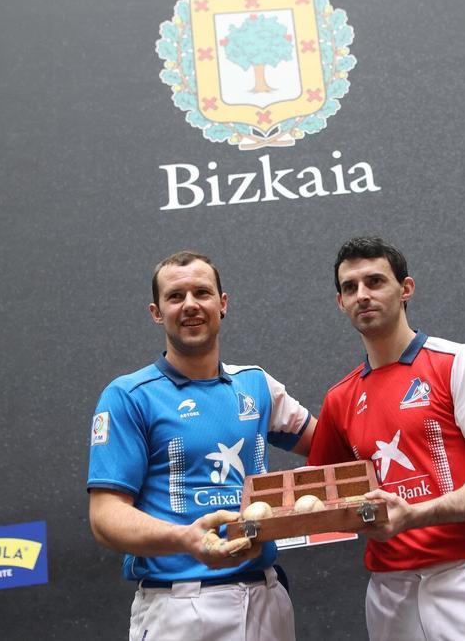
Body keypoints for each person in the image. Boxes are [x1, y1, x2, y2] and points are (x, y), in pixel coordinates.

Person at [308, 236, 465, 641]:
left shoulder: (458, 363)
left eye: (375, 281)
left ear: (406, 289)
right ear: (340, 302)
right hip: (390, 594)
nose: (362, 295)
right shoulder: (340, 399)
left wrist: (417, 514)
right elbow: (320, 499)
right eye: (350, 287)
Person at [87, 250, 316, 641]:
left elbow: (332, 443)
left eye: (202, 293)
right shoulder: (129, 396)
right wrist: (185, 540)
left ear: (222, 304)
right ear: (157, 312)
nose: (191, 305)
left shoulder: (257, 386)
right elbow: (105, 517)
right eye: (176, 297)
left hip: (266, 597)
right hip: (180, 608)